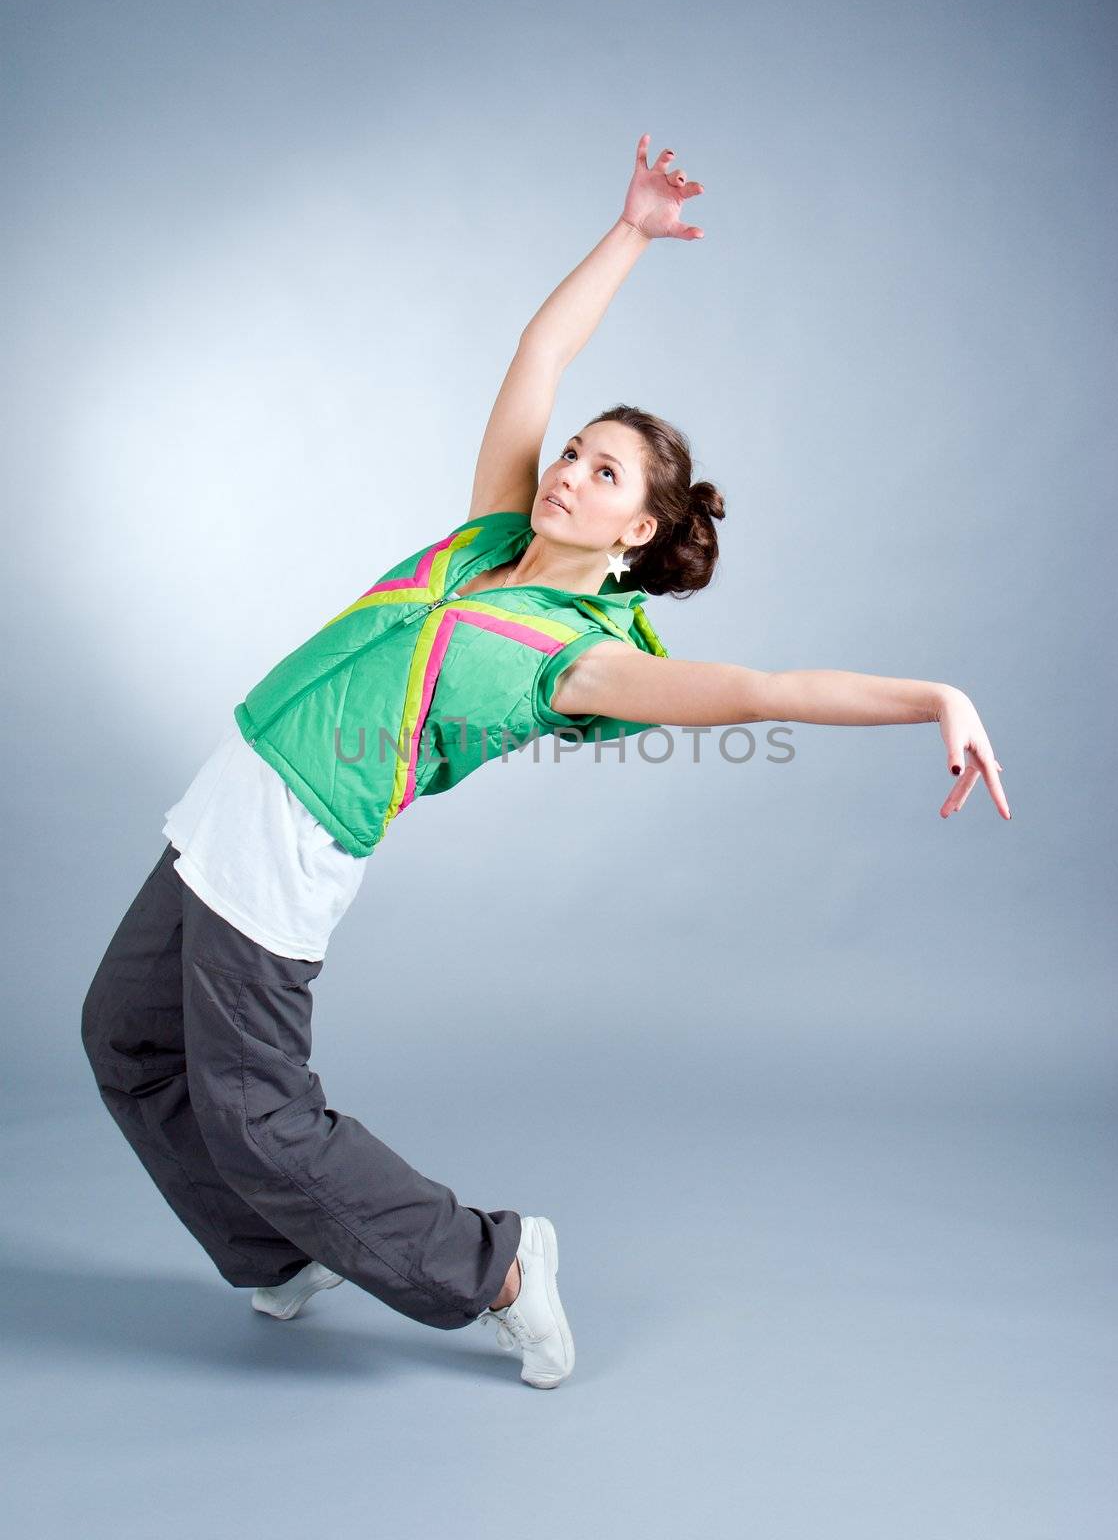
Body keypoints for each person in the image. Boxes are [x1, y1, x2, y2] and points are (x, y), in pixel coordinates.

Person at [80, 133, 1011, 1393]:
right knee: (125, 1038)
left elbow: (761, 689)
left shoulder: (575, 660)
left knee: (260, 1117)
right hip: (223, 804)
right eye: (575, 450)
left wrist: (935, 697)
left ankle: (499, 1265)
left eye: (603, 471)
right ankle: (277, 1256)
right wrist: (629, 232)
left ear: (638, 532)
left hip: (288, 847)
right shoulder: (483, 536)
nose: (568, 470)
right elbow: (540, 353)